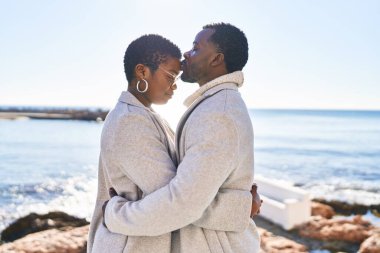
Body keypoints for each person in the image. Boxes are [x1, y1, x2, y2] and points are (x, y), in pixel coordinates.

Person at [87, 34, 260, 253]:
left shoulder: (149, 117)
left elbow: (185, 199)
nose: (174, 86)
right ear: (142, 72)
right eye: (171, 76)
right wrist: (241, 208)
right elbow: (179, 200)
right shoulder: (129, 121)